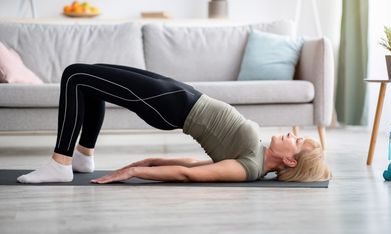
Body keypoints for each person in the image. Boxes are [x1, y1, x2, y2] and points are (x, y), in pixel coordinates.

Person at [17, 63, 332, 184]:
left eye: (297, 141)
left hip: (171, 106)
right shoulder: (256, 157)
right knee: (90, 80)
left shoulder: (249, 168)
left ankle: (61, 162)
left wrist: (136, 171)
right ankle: (83, 158)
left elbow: (190, 173)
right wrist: (153, 159)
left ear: (289, 159)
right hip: (182, 94)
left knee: (75, 75)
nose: (293, 134)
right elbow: (193, 162)